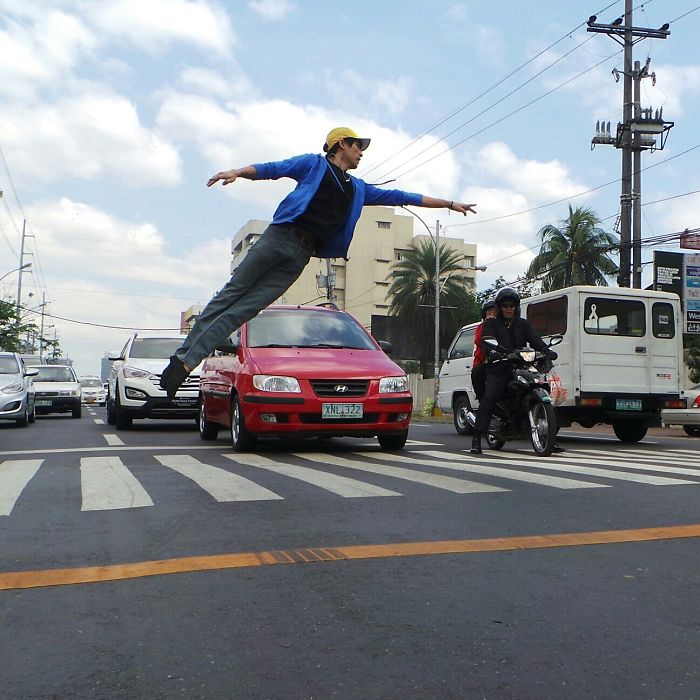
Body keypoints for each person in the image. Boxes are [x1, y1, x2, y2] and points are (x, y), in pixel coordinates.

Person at [160, 127, 477, 397]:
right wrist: (237, 172)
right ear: (342, 145)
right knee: (230, 296)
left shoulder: (358, 189)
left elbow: (402, 196)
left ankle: (185, 365)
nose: (361, 153)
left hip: (300, 255)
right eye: (358, 147)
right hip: (279, 237)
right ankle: (183, 358)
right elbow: (274, 168)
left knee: (246, 309)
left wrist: (449, 204)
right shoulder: (313, 165)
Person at [470, 286, 559, 455]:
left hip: (520, 366)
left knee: (540, 386)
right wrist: (494, 352)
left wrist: (546, 351)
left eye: (512, 305)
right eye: (505, 305)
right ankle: (477, 437)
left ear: (516, 307)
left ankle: (550, 438)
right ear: (499, 307)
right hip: (498, 367)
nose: (509, 308)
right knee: (490, 396)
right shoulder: (491, 324)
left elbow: (535, 340)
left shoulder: (522, 324)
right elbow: (486, 342)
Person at [471, 298, 497, 403]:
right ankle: (483, 401)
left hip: (504, 359)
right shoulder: (482, 326)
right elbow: (478, 341)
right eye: (489, 311)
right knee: (477, 373)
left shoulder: (503, 325)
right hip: (484, 360)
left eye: (494, 311)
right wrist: (488, 324)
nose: (492, 313)